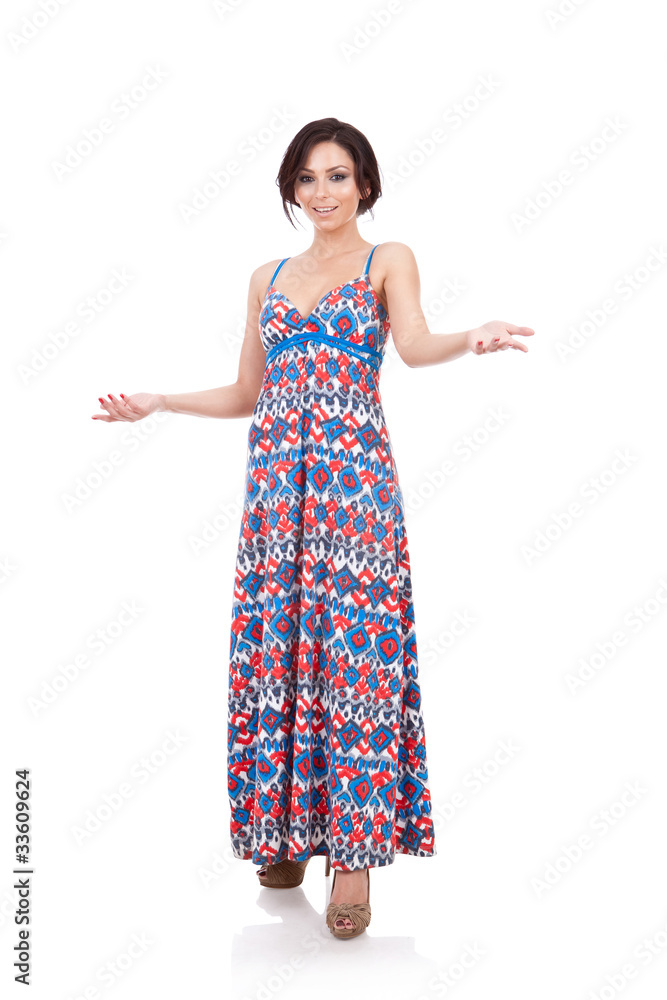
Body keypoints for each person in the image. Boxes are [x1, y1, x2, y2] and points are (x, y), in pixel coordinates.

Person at [92, 117, 534, 940]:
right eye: (306, 178)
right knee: (280, 654)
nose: (322, 193)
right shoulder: (266, 276)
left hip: (353, 490)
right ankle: (285, 833)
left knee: (354, 661)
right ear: (290, 189)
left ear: (364, 183)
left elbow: (414, 344)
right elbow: (245, 393)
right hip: (275, 497)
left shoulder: (385, 258)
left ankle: (353, 862)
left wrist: (470, 339)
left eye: (337, 176)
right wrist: (160, 401)